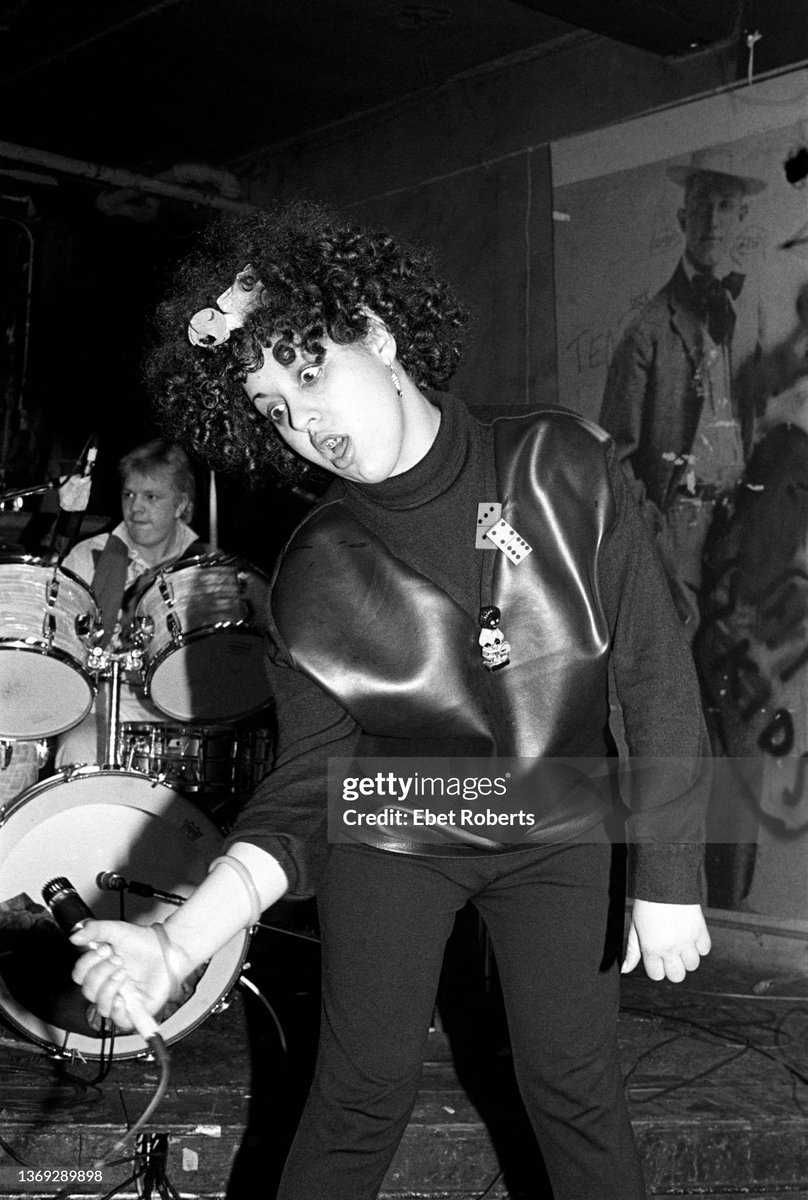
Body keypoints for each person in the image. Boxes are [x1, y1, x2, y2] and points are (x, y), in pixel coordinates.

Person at [70, 202, 711, 1200]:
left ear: (373, 333)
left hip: (558, 816)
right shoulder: (315, 575)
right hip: (396, 820)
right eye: (274, 409)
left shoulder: (558, 463)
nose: (305, 420)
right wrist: (176, 941)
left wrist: (669, 869)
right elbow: (303, 794)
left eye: (309, 370)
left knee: (573, 1092)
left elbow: (654, 672)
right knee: (359, 1094)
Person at [599, 146, 769, 641]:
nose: (712, 220)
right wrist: (658, 540)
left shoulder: (752, 314)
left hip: (741, 521)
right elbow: (614, 459)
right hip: (681, 529)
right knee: (690, 671)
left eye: (724, 205)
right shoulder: (647, 332)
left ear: (742, 216)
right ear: (681, 217)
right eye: (700, 206)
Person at [55, 440, 206, 766]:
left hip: (182, 715)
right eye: (129, 494)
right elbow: (56, 636)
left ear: (180, 503)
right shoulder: (88, 556)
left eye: (152, 497)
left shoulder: (206, 569)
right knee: (79, 749)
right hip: (99, 708)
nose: (136, 508)